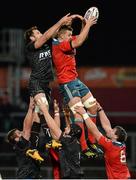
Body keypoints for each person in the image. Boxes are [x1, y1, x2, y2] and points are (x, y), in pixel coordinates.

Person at [52, 15, 99, 155]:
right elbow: (78, 42)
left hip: (76, 81)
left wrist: (84, 24)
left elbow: (81, 38)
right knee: (79, 113)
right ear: (61, 36)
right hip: (67, 83)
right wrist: (89, 24)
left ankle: (91, 142)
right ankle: (83, 148)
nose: (71, 36)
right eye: (68, 35)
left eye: (71, 34)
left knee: (93, 107)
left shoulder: (66, 39)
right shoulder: (59, 44)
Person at [24, 13, 74, 114]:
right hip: (36, 82)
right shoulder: (31, 46)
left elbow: (56, 33)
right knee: (44, 108)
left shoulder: (45, 45)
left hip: (46, 84)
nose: (41, 34)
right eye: (37, 33)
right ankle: (48, 130)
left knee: (39, 113)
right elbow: (47, 35)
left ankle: (28, 131)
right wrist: (61, 21)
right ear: (32, 38)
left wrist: (65, 23)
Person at [74, 102, 131, 179]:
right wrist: (100, 109)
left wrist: (84, 114)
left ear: (116, 136)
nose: (110, 130)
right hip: (125, 177)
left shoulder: (110, 145)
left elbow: (95, 131)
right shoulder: (121, 144)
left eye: (112, 130)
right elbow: (107, 126)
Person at [36, 97, 84, 179]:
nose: (65, 128)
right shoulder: (73, 141)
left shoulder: (69, 142)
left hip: (71, 177)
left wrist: (44, 111)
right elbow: (63, 130)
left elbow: (54, 129)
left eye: (67, 129)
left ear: (72, 133)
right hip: (73, 176)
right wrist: (57, 112)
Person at [6, 97, 43, 179]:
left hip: (35, 175)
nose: (22, 132)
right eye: (19, 133)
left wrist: (37, 106)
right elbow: (26, 128)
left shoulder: (30, 140)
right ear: (16, 139)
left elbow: (36, 123)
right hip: (26, 176)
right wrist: (30, 108)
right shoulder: (20, 145)